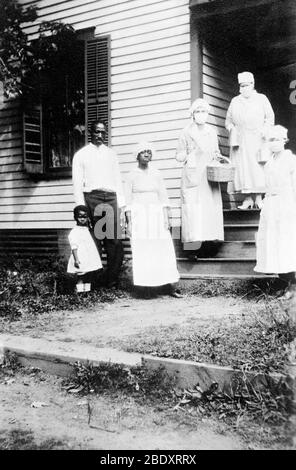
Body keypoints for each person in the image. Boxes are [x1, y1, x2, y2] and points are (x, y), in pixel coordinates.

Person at [72, 120, 125, 288]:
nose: (100, 135)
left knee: (113, 240)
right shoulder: (81, 155)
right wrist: (82, 207)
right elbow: (77, 184)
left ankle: (112, 280)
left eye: (103, 132)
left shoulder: (111, 154)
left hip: (110, 199)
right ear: (91, 133)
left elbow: (118, 181)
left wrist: (121, 205)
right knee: (93, 239)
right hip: (92, 199)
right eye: (97, 132)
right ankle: (92, 280)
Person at [125, 141, 182, 298]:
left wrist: (166, 218)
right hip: (139, 215)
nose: (146, 154)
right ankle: (146, 288)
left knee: (162, 247)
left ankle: (168, 286)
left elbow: (163, 198)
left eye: (149, 152)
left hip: (156, 213)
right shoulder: (131, 175)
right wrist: (129, 223)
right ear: (137, 155)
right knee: (144, 249)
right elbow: (127, 202)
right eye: (143, 152)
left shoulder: (156, 173)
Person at [175, 98, 224, 253]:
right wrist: (190, 153)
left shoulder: (212, 132)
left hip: (208, 175)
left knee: (209, 208)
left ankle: (210, 245)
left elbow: (216, 152)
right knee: (193, 209)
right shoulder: (186, 132)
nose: (201, 114)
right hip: (193, 174)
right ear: (193, 114)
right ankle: (192, 247)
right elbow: (179, 155)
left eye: (203, 111)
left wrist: (218, 158)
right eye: (198, 111)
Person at [254, 125, 296, 298]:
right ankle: (282, 281)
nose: (274, 143)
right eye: (270, 140)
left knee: (287, 241)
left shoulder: (290, 159)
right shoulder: (269, 161)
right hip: (271, 204)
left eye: (277, 139)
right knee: (274, 241)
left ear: (284, 140)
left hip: (286, 202)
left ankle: (292, 285)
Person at [226, 71, 275, 210]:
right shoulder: (235, 101)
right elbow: (228, 120)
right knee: (243, 169)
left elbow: (270, 117)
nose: (243, 88)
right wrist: (231, 129)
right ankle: (247, 199)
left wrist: (264, 130)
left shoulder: (261, 98)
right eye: (241, 86)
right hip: (240, 141)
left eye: (246, 85)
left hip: (257, 139)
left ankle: (259, 198)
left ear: (252, 85)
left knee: (257, 168)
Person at [67, 205, 103, 292]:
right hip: (80, 256)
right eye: (80, 217)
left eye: (85, 217)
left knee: (88, 274)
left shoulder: (87, 230)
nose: (82, 219)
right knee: (81, 275)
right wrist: (76, 259)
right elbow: (74, 246)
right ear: (75, 217)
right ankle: (80, 292)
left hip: (88, 256)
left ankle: (86, 292)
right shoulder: (75, 231)